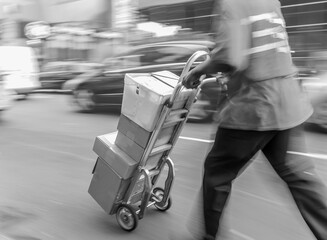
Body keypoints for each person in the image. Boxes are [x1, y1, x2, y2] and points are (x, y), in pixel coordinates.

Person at [180, 0, 327, 239]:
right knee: (298, 176)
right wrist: (229, 74)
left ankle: (208, 236)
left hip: (255, 106)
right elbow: (262, 50)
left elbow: (230, 56)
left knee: (217, 174)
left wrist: (197, 71)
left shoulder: (232, 3)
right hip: (288, 102)